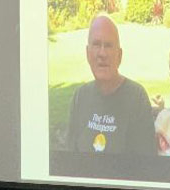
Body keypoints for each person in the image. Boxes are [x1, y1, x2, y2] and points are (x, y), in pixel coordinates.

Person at [65, 15, 156, 155]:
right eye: (96, 44)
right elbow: (70, 158)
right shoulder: (80, 97)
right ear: (88, 53)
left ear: (119, 55)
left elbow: (144, 165)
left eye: (108, 45)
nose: (102, 53)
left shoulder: (136, 98)